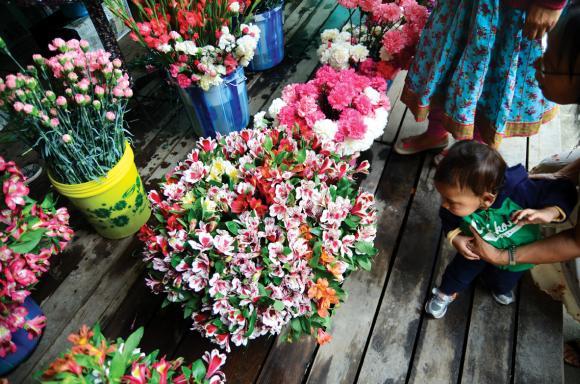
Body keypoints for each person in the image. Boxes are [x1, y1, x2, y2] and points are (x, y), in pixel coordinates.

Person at [425, 141, 576, 318]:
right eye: (443, 197)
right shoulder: (453, 204)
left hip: (518, 252)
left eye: (451, 201)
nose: (444, 204)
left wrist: (550, 212)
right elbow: (448, 219)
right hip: (474, 248)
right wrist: (455, 237)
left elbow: (564, 189)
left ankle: (498, 288)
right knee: (457, 273)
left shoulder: (521, 191)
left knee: (504, 281)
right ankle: (445, 294)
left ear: (487, 199)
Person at [394, 0, 566, 156]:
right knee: (446, 65)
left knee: (490, 83)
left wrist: (551, 4)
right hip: (464, 5)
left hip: (512, 12)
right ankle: (435, 134)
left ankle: (470, 154)